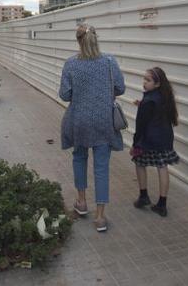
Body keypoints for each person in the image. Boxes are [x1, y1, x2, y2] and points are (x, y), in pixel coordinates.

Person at [59, 23, 125, 232]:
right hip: (104, 122)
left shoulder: (70, 64)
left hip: (79, 121)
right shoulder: (109, 62)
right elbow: (120, 88)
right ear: (96, 38)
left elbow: (65, 95)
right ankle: (100, 217)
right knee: (101, 167)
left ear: (78, 41)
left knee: (79, 158)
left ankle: (81, 202)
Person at [131, 66, 180, 217]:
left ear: (157, 84)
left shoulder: (149, 100)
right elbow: (156, 111)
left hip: (149, 140)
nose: (144, 82)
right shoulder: (164, 96)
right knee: (162, 166)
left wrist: (135, 143)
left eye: (148, 80)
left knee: (139, 163)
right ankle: (162, 204)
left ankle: (143, 196)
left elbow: (141, 125)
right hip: (164, 138)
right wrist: (142, 104)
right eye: (144, 79)